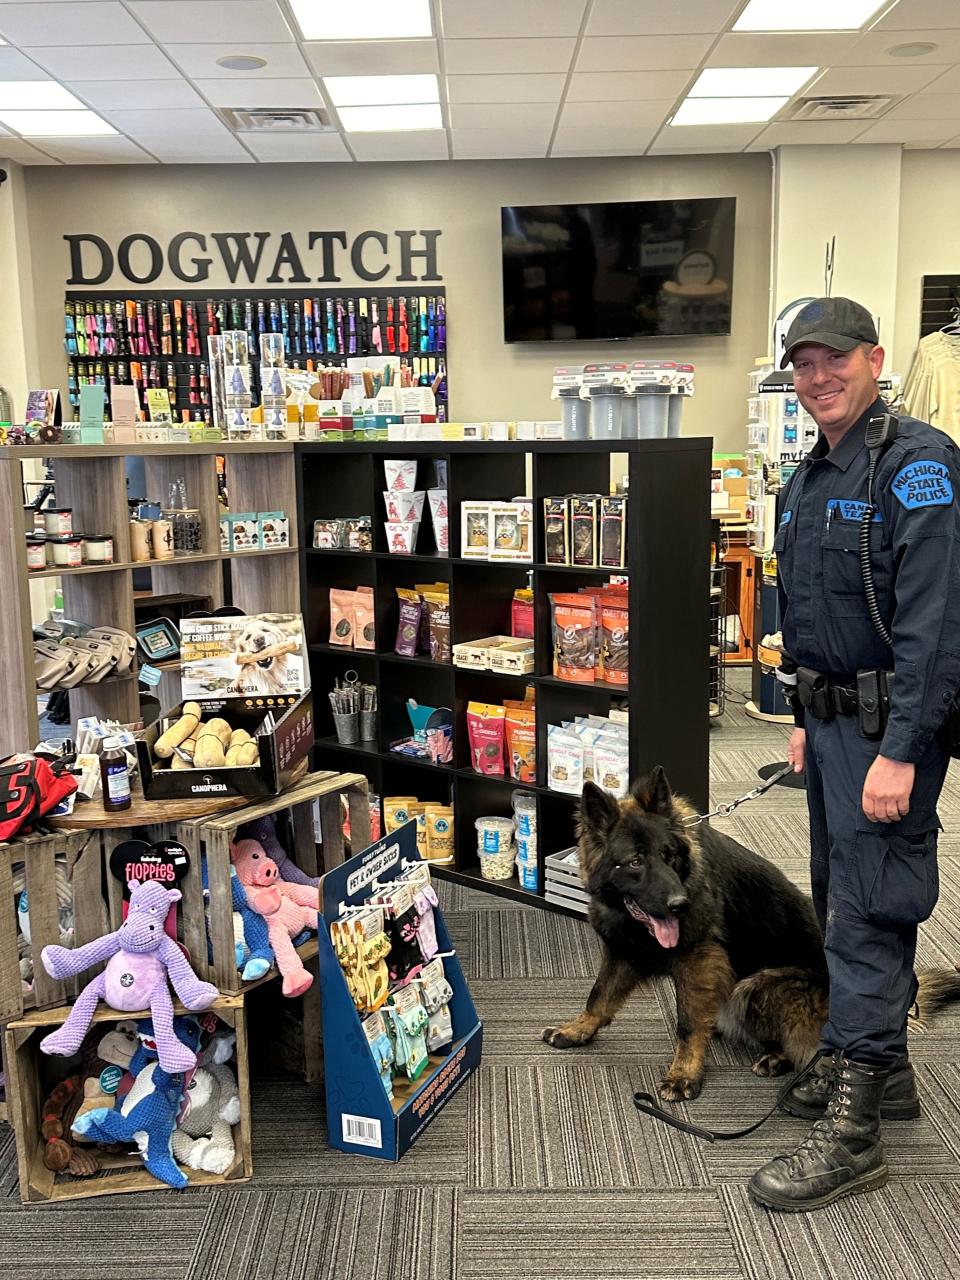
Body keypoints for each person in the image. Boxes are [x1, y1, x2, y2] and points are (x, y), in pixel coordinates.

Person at [748, 297, 960, 1213]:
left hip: (888, 735)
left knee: (872, 914)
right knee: (839, 901)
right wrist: (801, 709)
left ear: (875, 359)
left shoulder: (916, 466)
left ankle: (858, 1134)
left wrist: (904, 752)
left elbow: (936, 630)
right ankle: (880, 1070)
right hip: (831, 727)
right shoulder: (808, 476)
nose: (818, 375)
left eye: (834, 357)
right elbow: (808, 611)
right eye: (802, 361)